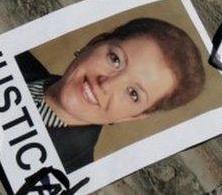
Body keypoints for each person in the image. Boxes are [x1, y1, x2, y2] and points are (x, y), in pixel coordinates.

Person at [16, 17, 206, 172]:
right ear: (94, 43)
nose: (106, 84)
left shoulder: (67, 176)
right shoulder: (10, 56)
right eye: (115, 59)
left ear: (135, 116)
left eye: (133, 93)